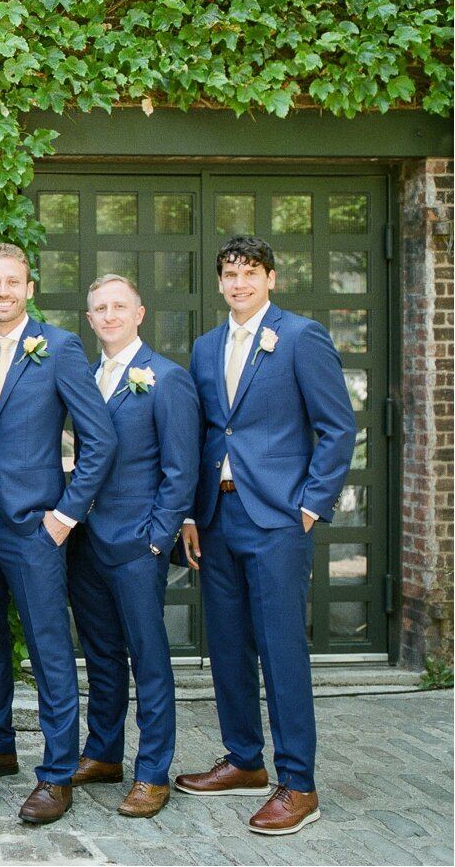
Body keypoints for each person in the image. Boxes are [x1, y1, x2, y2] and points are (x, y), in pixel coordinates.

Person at [174, 236, 355, 836]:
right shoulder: (205, 347)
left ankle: (298, 783)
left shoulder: (301, 337)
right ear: (220, 282)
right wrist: (193, 513)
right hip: (219, 519)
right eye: (230, 273)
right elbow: (206, 432)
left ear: (271, 279)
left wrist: (310, 505)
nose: (239, 282)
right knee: (227, 645)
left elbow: (336, 427)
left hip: (277, 518)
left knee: (281, 651)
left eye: (251, 272)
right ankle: (245, 760)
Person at [0, 242, 116, 825]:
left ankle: (58, 772)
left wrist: (64, 516)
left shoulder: (60, 348)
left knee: (48, 651)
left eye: (11, 282)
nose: (1, 292)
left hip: (35, 528)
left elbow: (100, 441)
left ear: (29, 287)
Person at [68, 274, 199, 818]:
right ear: (91, 318)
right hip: (84, 543)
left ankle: (152, 770)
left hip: (136, 543)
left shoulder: (166, 379)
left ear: (139, 313)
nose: (109, 315)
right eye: (100, 308)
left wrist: (156, 539)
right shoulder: (82, 377)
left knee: (148, 658)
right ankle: (102, 753)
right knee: (99, 655)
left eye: (119, 306)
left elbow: (180, 467)